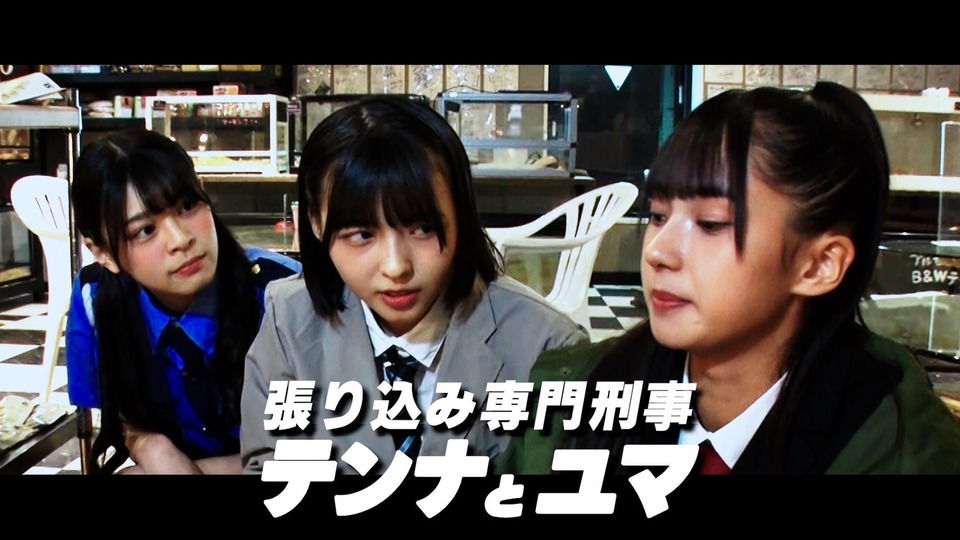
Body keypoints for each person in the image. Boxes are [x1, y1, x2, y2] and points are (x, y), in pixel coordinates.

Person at [500, 81, 960, 475]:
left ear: (819, 265)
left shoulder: (897, 450)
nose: (658, 252)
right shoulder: (577, 398)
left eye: (711, 224)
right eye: (658, 215)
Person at [240, 95, 589, 474]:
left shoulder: (548, 346)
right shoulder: (288, 323)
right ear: (316, 223)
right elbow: (268, 465)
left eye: (423, 229)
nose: (396, 267)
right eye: (362, 235)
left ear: (461, 214)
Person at [66, 128, 302, 475]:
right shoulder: (96, 298)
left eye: (188, 206)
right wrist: (151, 447)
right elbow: (123, 411)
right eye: (145, 230)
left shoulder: (283, 291)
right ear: (103, 253)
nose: (181, 239)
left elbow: (330, 444)